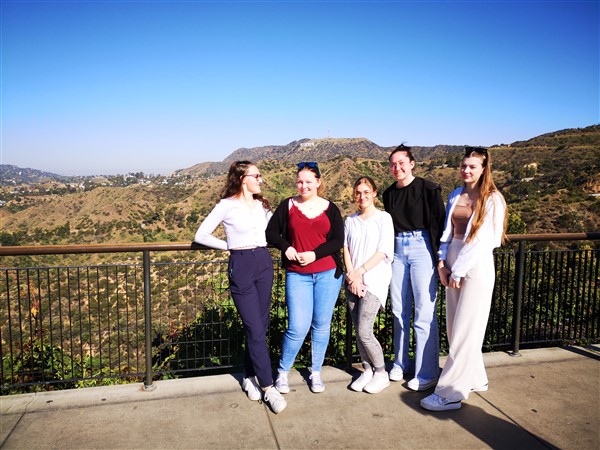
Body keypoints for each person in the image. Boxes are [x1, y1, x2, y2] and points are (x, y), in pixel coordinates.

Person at [194, 160, 286, 414]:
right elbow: (201, 235)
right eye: (257, 175)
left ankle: (248, 375)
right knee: (255, 328)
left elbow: (275, 232)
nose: (261, 179)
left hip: (263, 263)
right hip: (242, 264)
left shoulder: (262, 205)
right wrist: (229, 246)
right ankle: (268, 387)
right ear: (243, 179)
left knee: (260, 326)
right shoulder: (226, 206)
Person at [421, 146, 508, 411]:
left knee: (465, 330)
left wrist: (458, 270)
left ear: (484, 169)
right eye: (463, 165)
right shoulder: (455, 195)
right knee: (454, 328)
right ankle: (477, 378)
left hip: (475, 267)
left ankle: (450, 393)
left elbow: (484, 240)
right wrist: (442, 262)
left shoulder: (493, 199)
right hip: (452, 261)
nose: (466, 170)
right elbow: (447, 233)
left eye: (472, 166)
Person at [266, 161, 344, 394]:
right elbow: (271, 232)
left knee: (321, 325)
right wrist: (286, 247)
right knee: (297, 327)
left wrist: (314, 254)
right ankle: (283, 372)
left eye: (308, 181)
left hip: (328, 273)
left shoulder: (330, 208)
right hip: (297, 274)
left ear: (318, 182)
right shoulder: (288, 206)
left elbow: (338, 240)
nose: (304, 186)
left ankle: (316, 371)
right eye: (300, 182)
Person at [382, 144, 446, 391]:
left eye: (401, 163)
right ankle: (401, 363)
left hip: (423, 248)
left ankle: (427, 371)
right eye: (393, 164)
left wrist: (441, 259)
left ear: (412, 164)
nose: (397, 167)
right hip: (397, 249)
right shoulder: (389, 194)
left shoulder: (428, 189)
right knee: (399, 310)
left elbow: (440, 225)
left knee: (424, 312)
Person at [344, 176, 394, 394]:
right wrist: (352, 276)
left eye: (366, 192)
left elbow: (383, 251)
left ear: (374, 193)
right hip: (353, 281)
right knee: (358, 329)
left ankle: (381, 372)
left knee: (365, 331)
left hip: (374, 281)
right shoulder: (350, 220)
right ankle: (367, 369)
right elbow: (346, 249)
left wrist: (360, 273)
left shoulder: (383, 218)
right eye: (358, 192)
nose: (362, 196)